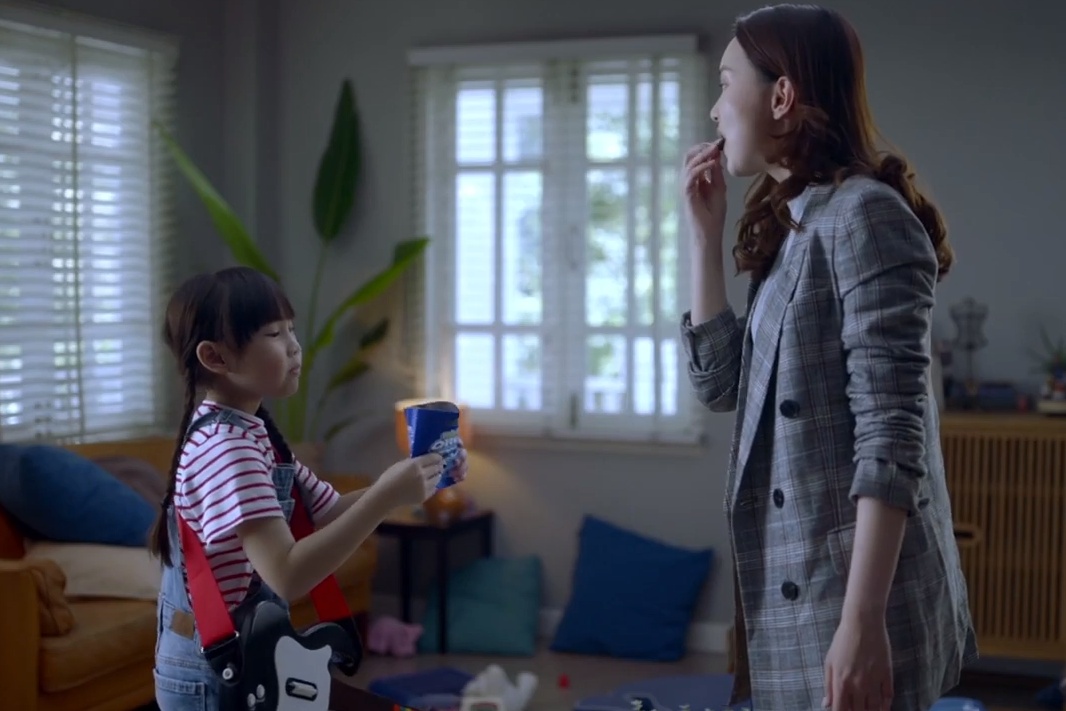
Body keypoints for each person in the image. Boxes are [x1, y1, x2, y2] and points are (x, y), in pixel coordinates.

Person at [679, 5, 977, 710]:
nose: (715, 109)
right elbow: (720, 387)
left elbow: (892, 436)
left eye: (726, 82)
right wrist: (704, 240)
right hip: (801, 585)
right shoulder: (799, 219)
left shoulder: (865, 214)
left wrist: (862, 621)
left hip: (854, 600)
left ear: (781, 96)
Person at [148, 266, 457, 710]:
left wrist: (412, 480)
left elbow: (328, 513)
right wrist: (387, 495)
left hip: (239, 654)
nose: (294, 346)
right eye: (274, 334)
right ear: (215, 357)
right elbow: (287, 574)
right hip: (209, 675)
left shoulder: (253, 432)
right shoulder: (226, 448)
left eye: (291, 329)